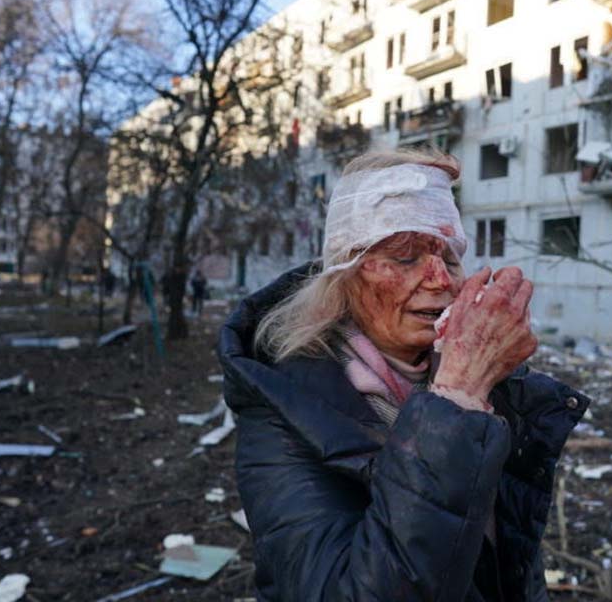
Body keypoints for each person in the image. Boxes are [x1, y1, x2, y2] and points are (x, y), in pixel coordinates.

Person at [218, 149, 589, 601]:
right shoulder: (282, 411)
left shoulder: (489, 384)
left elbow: (509, 559)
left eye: (450, 260)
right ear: (344, 278)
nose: (440, 280)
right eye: (406, 257)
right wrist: (457, 396)